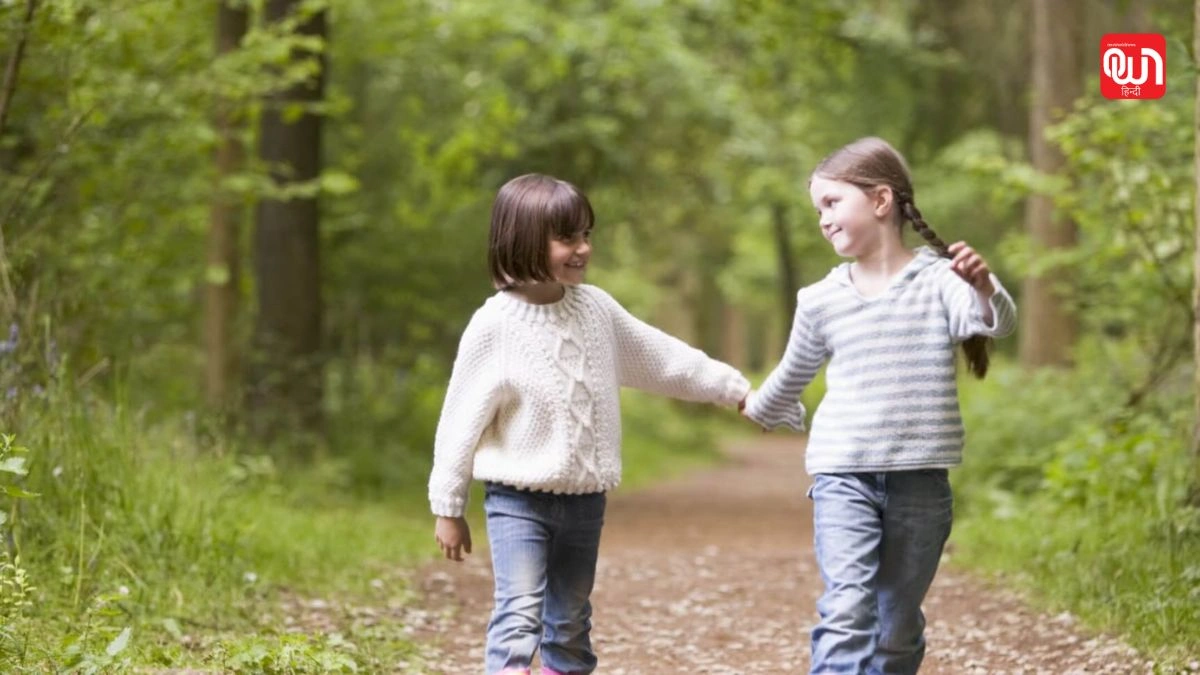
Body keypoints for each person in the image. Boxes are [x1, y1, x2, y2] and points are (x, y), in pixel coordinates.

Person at [428, 173, 750, 675]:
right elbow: (459, 421)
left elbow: (661, 357)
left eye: (586, 235)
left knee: (571, 620)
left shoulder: (596, 310)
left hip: (585, 503)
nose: (582, 249)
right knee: (519, 615)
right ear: (522, 241)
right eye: (567, 238)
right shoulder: (495, 326)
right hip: (517, 502)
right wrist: (448, 506)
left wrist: (733, 388)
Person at [742, 137, 1017, 674]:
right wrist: (752, 404)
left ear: (881, 200)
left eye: (831, 202)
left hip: (920, 481)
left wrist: (984, 286)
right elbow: (789, 378)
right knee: (847, 609)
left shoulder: (941, 280)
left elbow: (995, 322)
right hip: (843, 476)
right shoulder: (819, 300)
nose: (823, 219)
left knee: (896, 624)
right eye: (818, 209)